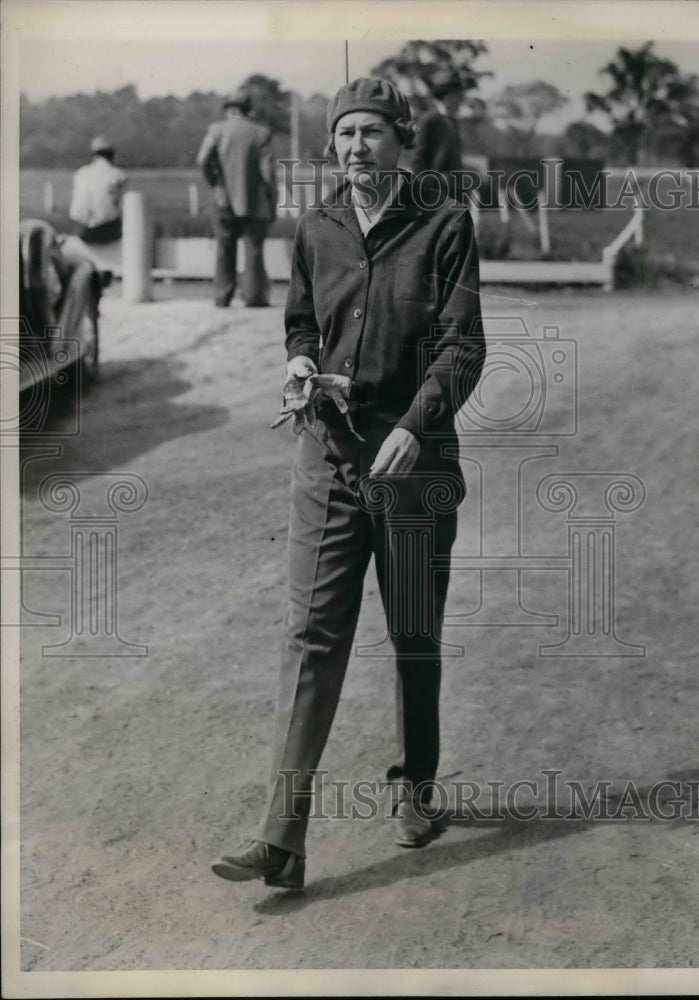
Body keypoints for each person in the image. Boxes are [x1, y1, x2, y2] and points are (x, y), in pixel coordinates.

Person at [211, 77, 485, 890]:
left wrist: (414, 425)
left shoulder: (444, 222)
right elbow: (301, 318)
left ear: (401, 141)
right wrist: (300, 362)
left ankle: (418, 792)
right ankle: (282, 840)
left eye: (371, 132)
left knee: (412, 635)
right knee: (311, 638)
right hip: (327, 459)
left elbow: (461, 346)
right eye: (344, 134)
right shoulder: (316, 226)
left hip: (414, 466)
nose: (355, 147)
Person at [196, 87, 276, 307]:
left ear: (229, 109)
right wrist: (272, 199)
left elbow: (203, 159)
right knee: (254, 251)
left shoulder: (217, 130)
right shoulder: (261, 132)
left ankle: (222, 296)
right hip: (254, 200)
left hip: (223, 199)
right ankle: (254, 297)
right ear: (248, 110)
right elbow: (268, 173)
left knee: (224, 248)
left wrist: (215, 182)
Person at [411, 69, 467, 200]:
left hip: (454, 190)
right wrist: (428, 187)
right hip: (434, 191)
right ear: (445, 96)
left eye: (460, 96)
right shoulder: (429, 121)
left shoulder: (453, 121)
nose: (459, 100)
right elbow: (418, 160)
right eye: (456, 96)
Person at [68, 136, 127, 244]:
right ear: (111, 155)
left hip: (80, 230)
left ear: (94, 156)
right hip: (105, 232)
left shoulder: (80, 173)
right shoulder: (118, 174)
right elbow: (123, 207)